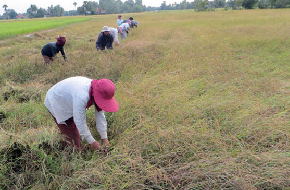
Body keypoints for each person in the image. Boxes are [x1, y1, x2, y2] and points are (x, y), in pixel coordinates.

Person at [44, 76, 119, 152]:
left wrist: (105, 138)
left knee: (72, 130)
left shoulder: (95, 89)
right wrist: (92, 142)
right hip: (56, 100)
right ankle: (69, 155)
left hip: (69, 98)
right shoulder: (81, 96)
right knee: (72, 136)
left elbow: (100, 116)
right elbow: (79, 121)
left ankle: (65, 143)